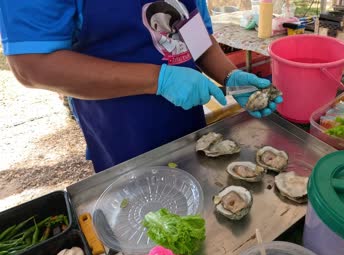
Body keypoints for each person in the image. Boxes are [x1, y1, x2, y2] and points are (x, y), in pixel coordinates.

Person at [0, 0, 283, 172]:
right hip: (122, 134)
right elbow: (32, 65)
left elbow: (192, 30)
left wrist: (230, 77)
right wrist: (159, 79)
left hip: (189, 127)